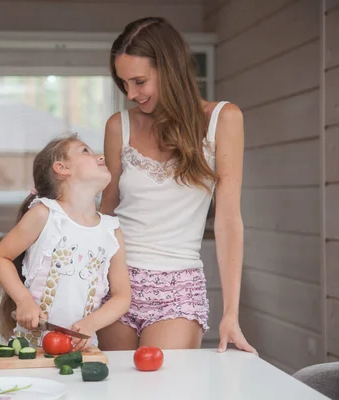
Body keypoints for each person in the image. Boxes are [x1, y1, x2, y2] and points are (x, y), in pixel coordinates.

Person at [98, 17, 257, 354]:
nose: (131, 94)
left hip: (179, 285)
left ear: (169, 69)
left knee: (163, 387)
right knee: (113, 387)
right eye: (124, 83)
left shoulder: (223, 119)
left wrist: (231, 313)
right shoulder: (119, 126)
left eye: (139, 81)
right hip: (115, 279)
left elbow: (228, 221)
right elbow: (106, 213)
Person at [0, 135, 131, 350]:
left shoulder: (111, 230)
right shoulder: (44, 214)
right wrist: (23, 301)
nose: (101, 156)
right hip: (32, 347)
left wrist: (91, 324)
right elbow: (1, 257)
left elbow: (122, 296)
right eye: (85, 151)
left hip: (82, 349)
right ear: (62, 168)